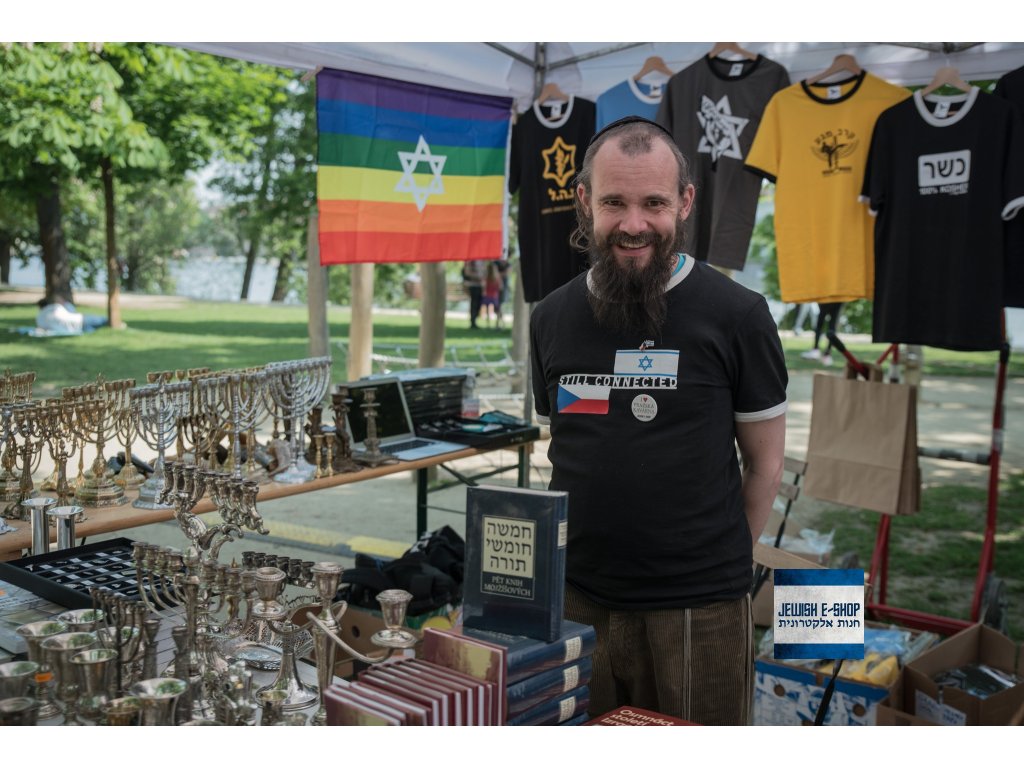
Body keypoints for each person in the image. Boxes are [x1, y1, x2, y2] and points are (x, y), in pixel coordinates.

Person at [529, 116, 787, 725]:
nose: (634, 223)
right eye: (614, 202)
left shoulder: (738, 315)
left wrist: (716, 564)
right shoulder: (551, 318)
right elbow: (564, 443)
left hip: (698, 612)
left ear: (686, 203)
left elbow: (766, 462)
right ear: (585, 201)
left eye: (654, 203)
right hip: (577, 601)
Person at [800, 302, 843, 366]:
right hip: (839, 297)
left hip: (827, 296)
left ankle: (817, 350)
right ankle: (827, 354)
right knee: (832, 325)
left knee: (821, 323)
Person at [461, 260, 487, 329]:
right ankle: (473, 321)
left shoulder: (483, 261)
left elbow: (485, 272)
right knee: (474, 304)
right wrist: (477, 277)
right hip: (472, 285)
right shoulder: (470, 261)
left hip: (480, 285)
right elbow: (467, 272)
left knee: (478, 304)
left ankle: (475, 320)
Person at [481, 261, 503, 328]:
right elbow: (501, 287)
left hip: (487, 296)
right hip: (494, 296)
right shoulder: (497, 277)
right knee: (497, 310)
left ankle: (488, 324)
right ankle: (497, 324)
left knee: (487, 310)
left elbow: (483, 287)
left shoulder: (486, 277)